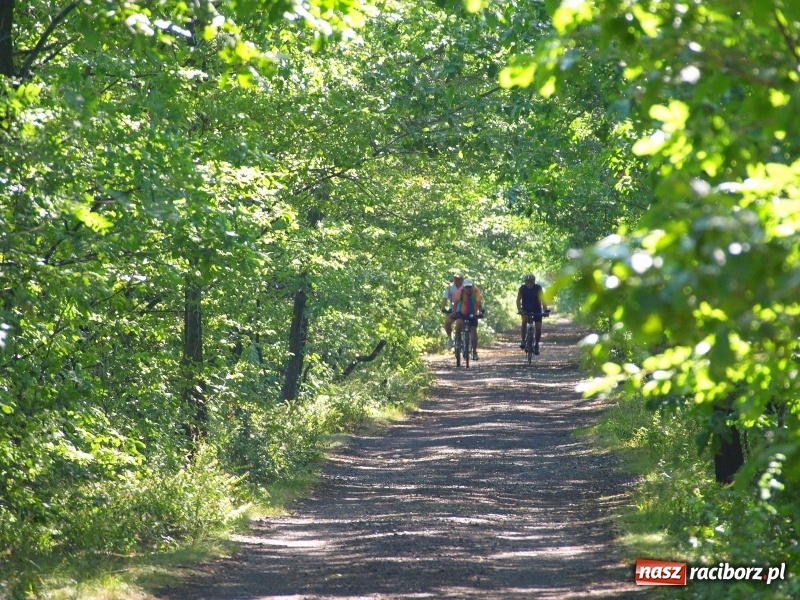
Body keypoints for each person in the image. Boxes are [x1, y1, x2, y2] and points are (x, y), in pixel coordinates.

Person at [516, 273, 549, 354]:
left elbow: (543, 300)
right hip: (525, 309)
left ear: (534, 282)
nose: (529, 284)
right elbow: (518, 300)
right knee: (524, 321)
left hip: (537, 309)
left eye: (531, 282)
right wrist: (520, 310)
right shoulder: (522, 288)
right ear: (525, 282)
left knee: (538, 328)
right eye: (528, 282)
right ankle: (523, 341)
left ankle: (537, 345)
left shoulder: (538, 288)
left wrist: (545, 310)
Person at [452, 277, 484, 360]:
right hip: (462, 312)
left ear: (472, 286)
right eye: (466, 287)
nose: (468, 289)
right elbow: (455, 303)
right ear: (464, 287)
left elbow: (479, 302)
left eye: (470, 287)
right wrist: (454, 313)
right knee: (458, 323)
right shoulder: (460, 291)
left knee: (473, 333)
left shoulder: (476, 291)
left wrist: (480, 312)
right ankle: (458, 339)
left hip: (473, 313)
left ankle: (474, 352)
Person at [441, 273, 463, 350]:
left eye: (458, 279)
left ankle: (467, 339)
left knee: (461, 323)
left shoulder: (465, 287)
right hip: (453, 309)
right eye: (455, 279)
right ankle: (450, 338)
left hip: (464, 309)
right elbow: (445, 298)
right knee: (447, 323)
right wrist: (443, 308)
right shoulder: (450, 287)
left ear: (462, 280)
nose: (456, 281)